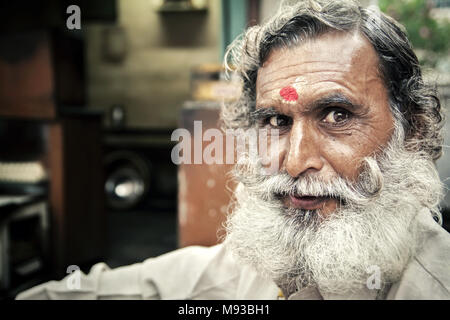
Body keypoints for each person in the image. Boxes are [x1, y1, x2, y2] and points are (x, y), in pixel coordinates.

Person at [17, 0, 449, 300]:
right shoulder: (267, 259)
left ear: (414, 130)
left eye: (337, 115)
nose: (296, 161)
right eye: (276, 121)